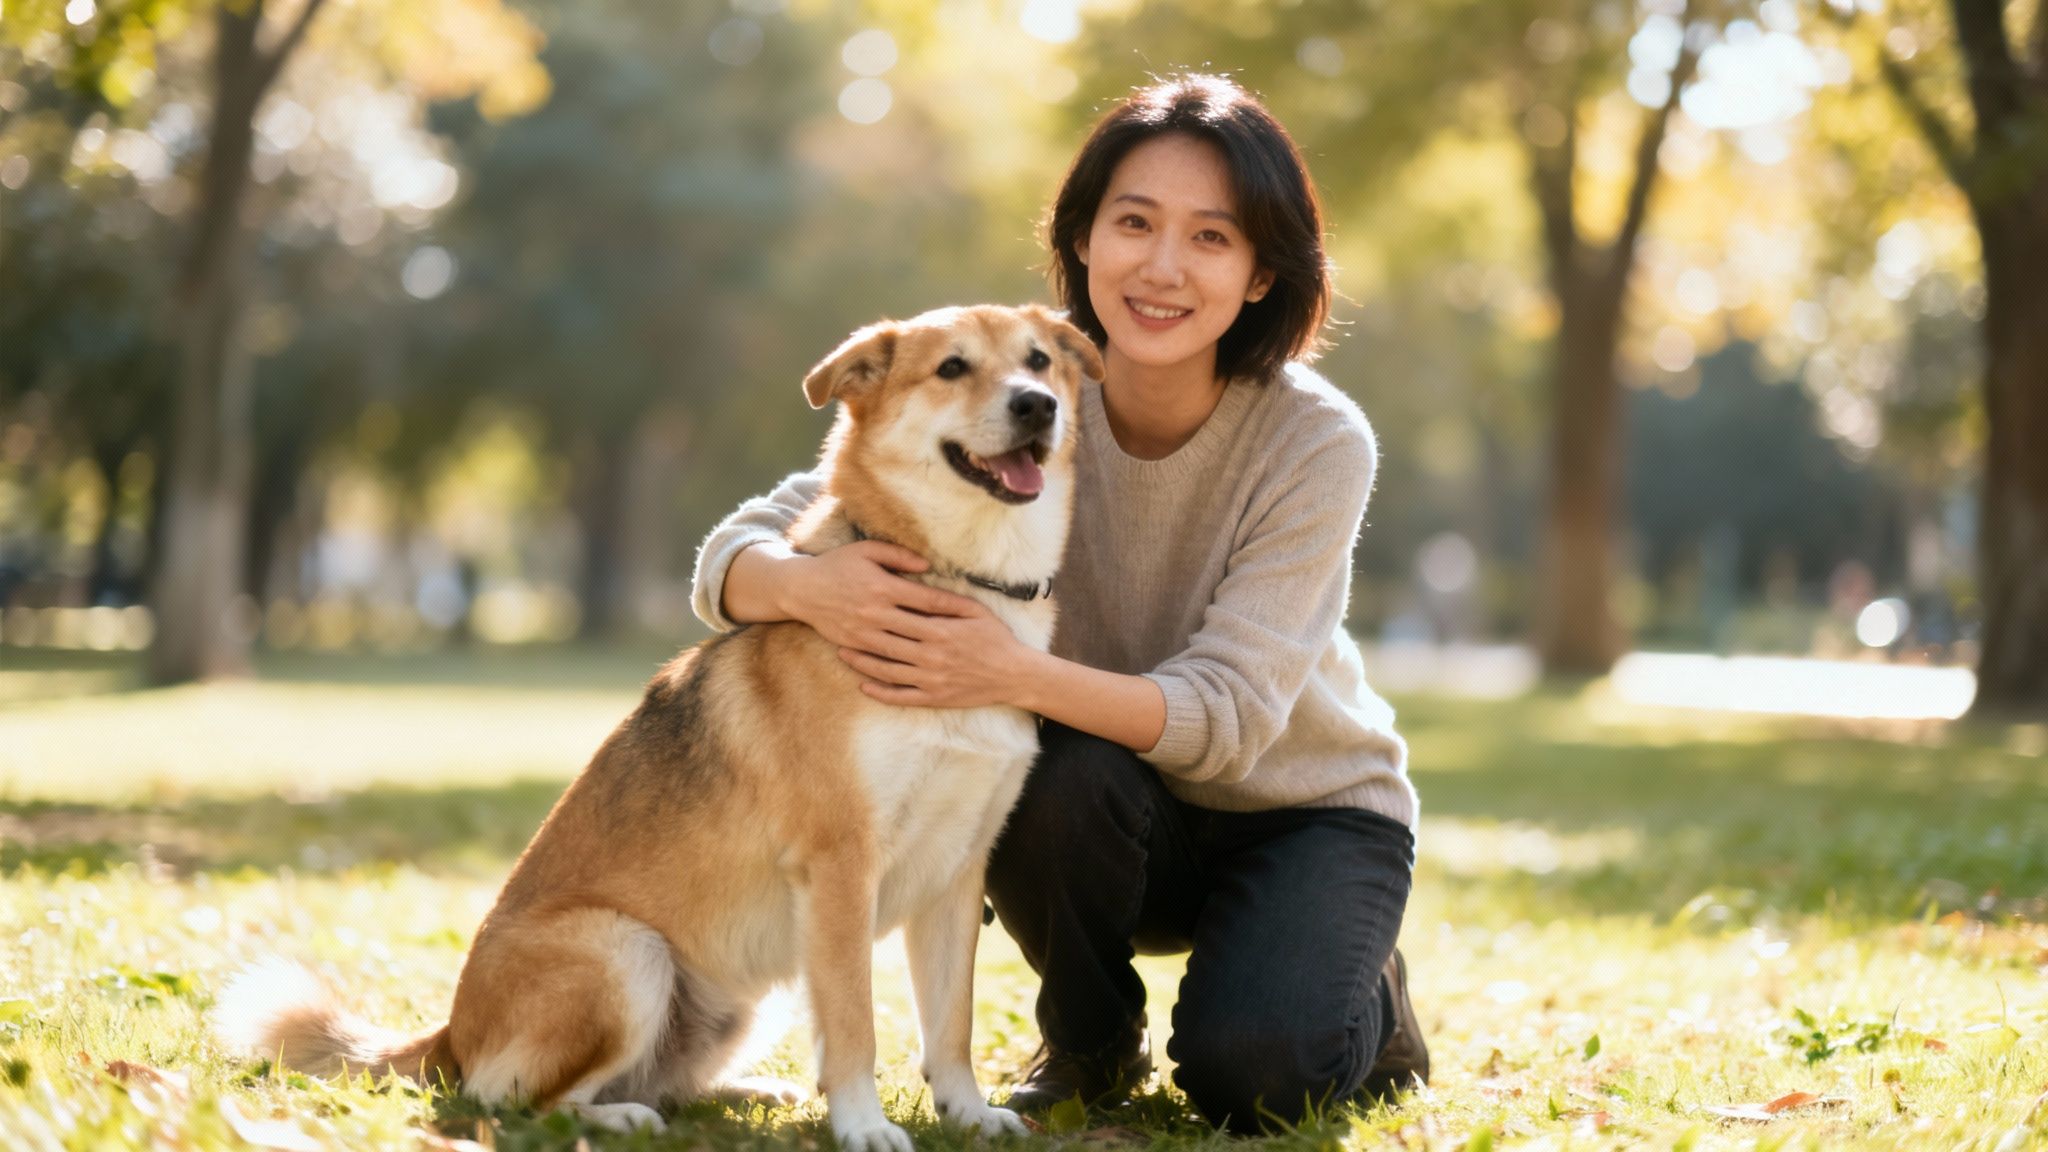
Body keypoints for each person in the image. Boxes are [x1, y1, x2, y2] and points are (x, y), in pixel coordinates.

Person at [689, 73, 1423, 1133]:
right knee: (1039, 763)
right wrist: (808, 586)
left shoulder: (1315, 441)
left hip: (1298, 810)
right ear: (1082, 239)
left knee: (1254, 1079)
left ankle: (1365, 989)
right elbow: (737, 546)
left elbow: (1225, 720)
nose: (1162, 266)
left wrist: (1008, 672)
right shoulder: (1006, 383)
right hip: (1105, 797)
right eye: (1133, 223)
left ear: (1262, 272)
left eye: (1211, 238)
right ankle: (1086, 1040)